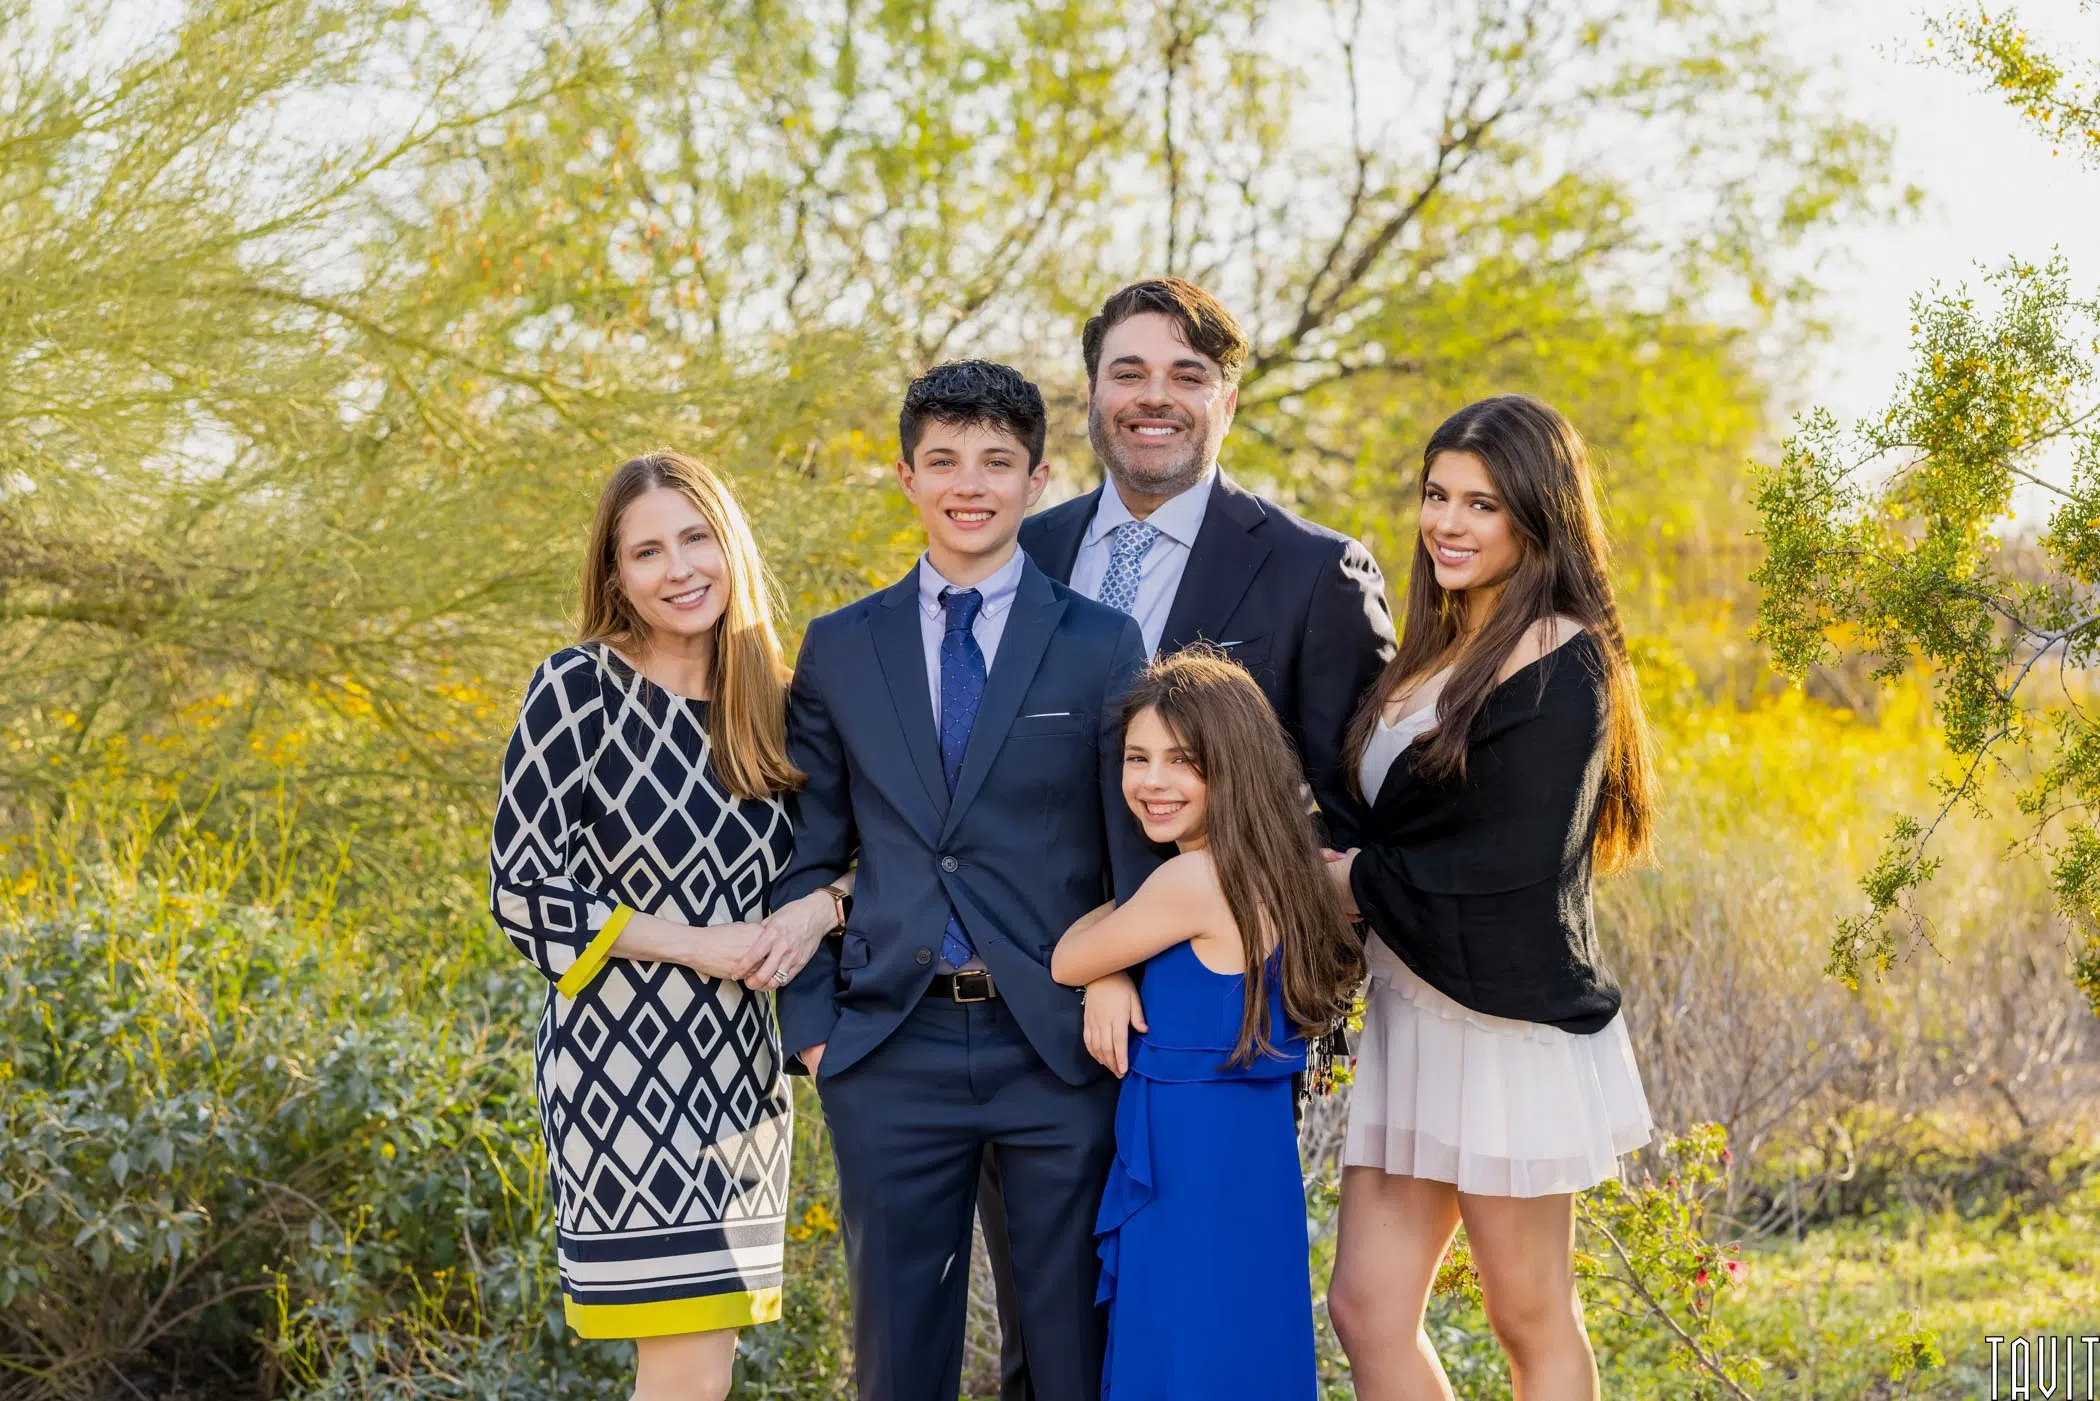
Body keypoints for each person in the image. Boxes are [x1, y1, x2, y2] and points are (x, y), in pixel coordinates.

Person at [996, 277, 1396, 1399]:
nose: (1154, 396)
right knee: (1049, 1340)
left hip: (1211, 1040)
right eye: (1127, 371)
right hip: (1031, 1018)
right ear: (1090, 393)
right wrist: (1097, 962)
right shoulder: (1023, 553)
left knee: (1200, 1325)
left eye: (1187, 374)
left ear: (1228, 397)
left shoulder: (1315, 570)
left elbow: (1356, 821)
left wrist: (1217, 961)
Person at [772, 360, 1158, 1401]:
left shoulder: (1099, 643)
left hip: (1057, 1046)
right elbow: (808, 851)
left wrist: (1118, 972)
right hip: (890, 1046)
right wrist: (816, 1032)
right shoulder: (841, 647)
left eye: (996, 460)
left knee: (1071, 1352)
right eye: (943, 460)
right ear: (906, 477)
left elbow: (1131, 844)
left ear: (1038, 479)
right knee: (898, 1364)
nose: (969, 484)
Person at [488, 451, 851, 1401]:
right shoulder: (578, 688)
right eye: (647, 551)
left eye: (696, 538)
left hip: (741, 1069)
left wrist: (817, 909)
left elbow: (875, 853)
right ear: (615, 574)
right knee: (685, 1368)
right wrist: (698, 942)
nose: (679, 568)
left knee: (704, 1365)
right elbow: (521, 888)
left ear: (731, 546)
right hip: (618, 1069)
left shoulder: (782, 703)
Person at [1322, 396, 1657, 1401]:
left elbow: (1513, 861)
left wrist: (1353, 882)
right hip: (1411, 1012)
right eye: (1438, 495)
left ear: (1537, 516)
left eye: (1483, 504)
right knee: (1367, 1310)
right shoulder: (1430, 649)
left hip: (1503, 1024)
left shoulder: (1563, 656)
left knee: (1528, 1317)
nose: (1449, 523)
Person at [1051, 649, 1361, 1401]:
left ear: (1234, 765)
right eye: (1137, 758)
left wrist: (1107, 966)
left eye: (1182, 760)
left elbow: (1067, 957)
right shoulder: (1289, 867)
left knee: (1184, 1348)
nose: (1152, 781)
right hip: (1252, 1157)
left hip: (1188, 1162)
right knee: (1241, 1340)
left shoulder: (1191, 878)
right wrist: (1119, 962)